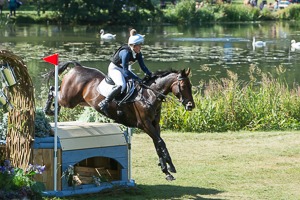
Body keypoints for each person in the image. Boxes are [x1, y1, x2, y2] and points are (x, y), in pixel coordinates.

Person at [98, 29, 152, 115]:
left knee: (135, 85)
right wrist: (137, 78)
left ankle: (125, 104)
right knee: (121, 85)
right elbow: (126, 71)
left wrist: (150, 74)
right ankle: (105, 102)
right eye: (139, 45)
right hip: (115, 68)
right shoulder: (125, 53)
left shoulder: (138, 53)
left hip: (124, 69)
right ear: (133, 46)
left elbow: (143, 66)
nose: (141, 47)